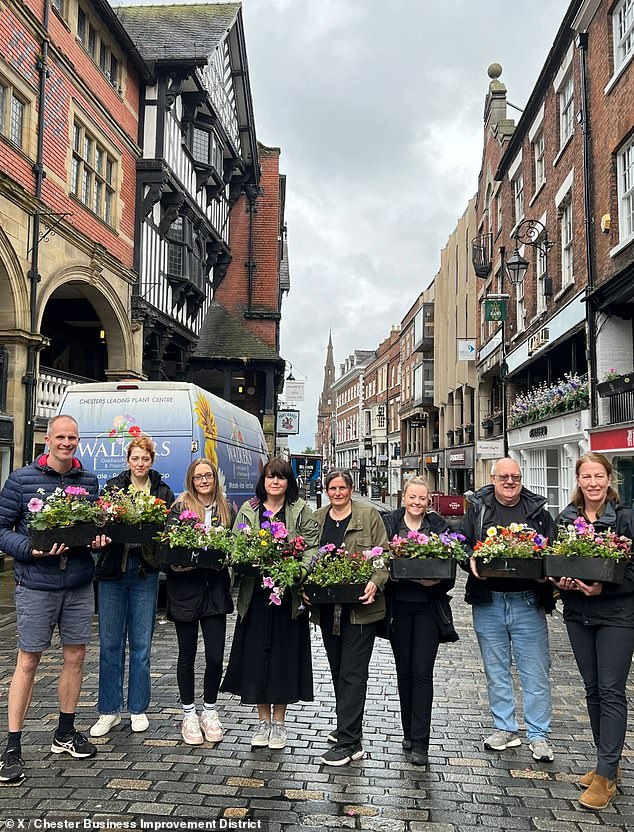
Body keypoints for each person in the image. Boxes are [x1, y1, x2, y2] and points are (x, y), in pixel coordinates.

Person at [0, 415, 108, 783]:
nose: (66, 442)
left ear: (79, 440)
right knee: (28, 661)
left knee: (76, 657)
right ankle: (13, 746)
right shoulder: (21, 479)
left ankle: (64, 732)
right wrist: (31, 549)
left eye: (72, 437)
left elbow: (95, 527)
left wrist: (97, 542)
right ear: (48, 439)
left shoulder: (89, 481)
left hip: (77, 583)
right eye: (60, 436)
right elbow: (1, 530)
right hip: (36, 585)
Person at [551, 452, 634, 810]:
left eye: (599, 476)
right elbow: (553, 562)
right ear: (578, 480)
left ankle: (605, 776)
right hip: (578, 613)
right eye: (587, 477)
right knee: (593, 690)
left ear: (609, 478)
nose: (593, 483)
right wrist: (560, 581)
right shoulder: (566, 518)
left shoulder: (626, 519)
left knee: (612, 690)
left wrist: (606, 587)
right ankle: (607, 765)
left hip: (616, 613)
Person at [459, 457, 556, 762]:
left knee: (535, 672)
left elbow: (551, 548)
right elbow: (462, 544)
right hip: (489, 601)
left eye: (515, 477)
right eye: (504, 477)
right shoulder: (478, 508)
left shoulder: (537, 511)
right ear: (493, 478)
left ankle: (539, 736)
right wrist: (470, 561)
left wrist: (545, 570)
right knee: (496, 670)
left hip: (527, 600)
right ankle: (505, 729)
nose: (510, 482)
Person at [221, 457, 319, 750]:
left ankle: (279, 723)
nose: (274, 482)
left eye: (280, 478)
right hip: (256, 597)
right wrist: (240, 564)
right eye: (269, 478)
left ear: (289, 482)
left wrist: (299, 572)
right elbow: (235, 546)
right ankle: (263, 721)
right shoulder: (249, 511)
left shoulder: (301, 511)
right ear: (262, 482)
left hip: (287, 597)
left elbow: (312, 548)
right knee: (256, 659)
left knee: (282, 659)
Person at [90, 435, 174, 738]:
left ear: (152, 461)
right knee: (110, 645)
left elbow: (167, 531)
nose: (140, 464)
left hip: (144, 572)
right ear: (128, 460)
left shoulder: (162, 491)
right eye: (135, 458)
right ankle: (108, 710)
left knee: (141, 646)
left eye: (145, 459)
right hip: (113, 572)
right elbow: (101, 524)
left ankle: (138, 708)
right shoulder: (114, 488)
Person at [312, 469, 389, 767]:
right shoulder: (318, 518)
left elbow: (382, 556)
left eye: (342, 487)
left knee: (353, 673)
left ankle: (349, 742)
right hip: (328, 608)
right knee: (337, 670)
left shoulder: (368, 516)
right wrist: (307, 585)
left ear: (351, 489)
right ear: (327, 490)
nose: (337, 493)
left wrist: (376, 581)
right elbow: (307, 555)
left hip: (361, 609)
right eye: (332, 488)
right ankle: (347, 725)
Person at [382, 476, 458, 766]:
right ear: (404, 498)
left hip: (428, 607)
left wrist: (433, 581)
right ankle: (409, 733)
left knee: (422, 672)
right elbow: (380, 561)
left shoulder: (439, 527)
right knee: (404, 671)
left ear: (429, 501)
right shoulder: (390, 523)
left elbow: (449, 572)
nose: (416, 503)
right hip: (399, 607)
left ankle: (422, 743)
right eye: (412, 497)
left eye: (422, 498)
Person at [165, 459, 234, 745]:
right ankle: (189, 713)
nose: (203, 481)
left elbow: (232, 545)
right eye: (198, 477)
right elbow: (167, 551)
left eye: (208, 476)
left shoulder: (226, 509)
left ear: (215, 479)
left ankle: (210, 710)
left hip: (215, 590)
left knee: (216, 656)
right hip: (185, 590)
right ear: (190, 480)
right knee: (187, 654)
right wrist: (182, 564)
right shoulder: (179, 508)